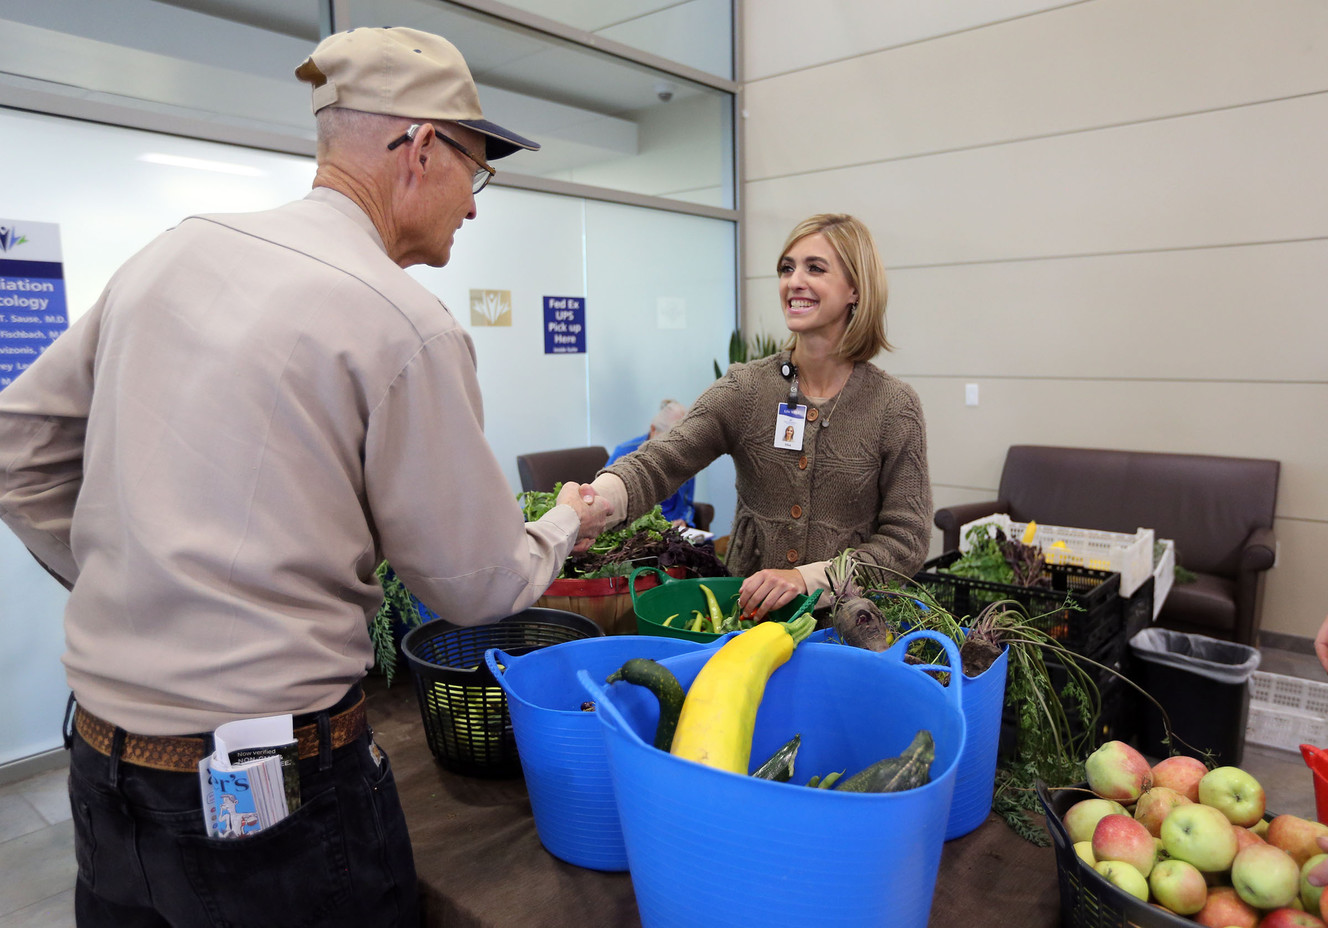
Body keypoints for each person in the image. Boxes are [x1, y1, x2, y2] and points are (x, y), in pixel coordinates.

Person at [0, 26, 609, 928]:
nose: (474, 208)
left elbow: (18, 451)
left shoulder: (175, 251)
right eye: (476, 172)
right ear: (422, 148)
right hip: (270, 797)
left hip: (104, 761)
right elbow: (478, 588)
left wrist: (142, 583)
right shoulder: (406, 322)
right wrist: (564, 521)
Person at [591, 213, 932, 619]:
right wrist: (594, 503)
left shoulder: (894, 406)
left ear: (855, 289)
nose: (794, 281)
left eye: (815, 268)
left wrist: (809, 579)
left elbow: (907, 541)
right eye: (787, 268)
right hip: (743, 626)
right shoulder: (747, 389)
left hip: (847, 633)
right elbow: (660, 461)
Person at [607, 399, 695, 526]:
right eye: (669, 443)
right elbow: (609, 503)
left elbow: (687, 504)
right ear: (653, 430)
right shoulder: (623, 453)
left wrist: (684, 521)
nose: (674, 452)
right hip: (635, 528)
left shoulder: (686, 456)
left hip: (673, 529)